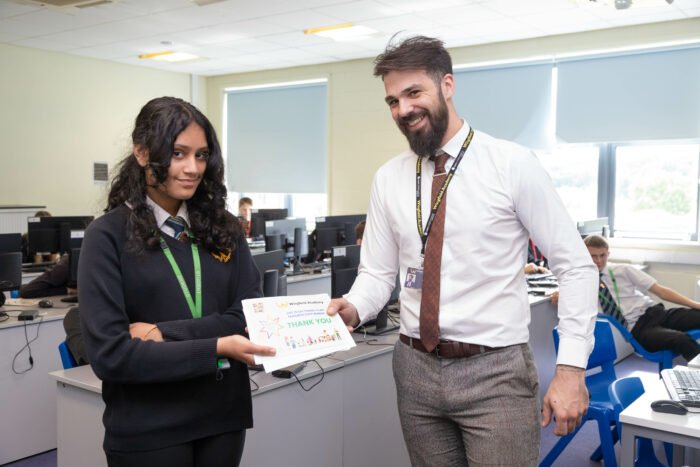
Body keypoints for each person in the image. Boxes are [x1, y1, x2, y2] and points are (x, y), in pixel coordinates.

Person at [326, 36, 598, 466]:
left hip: (495, 372)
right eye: (392, 101)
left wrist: (570, 367)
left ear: (447, 85)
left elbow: (576, 267)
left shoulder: (510, 163)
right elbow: (378, 274)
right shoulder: (388, 178)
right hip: (413, 368)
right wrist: (354, 307)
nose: (403, 110)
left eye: (414, 93)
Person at [78, 96, 276, 467]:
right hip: (149, 426)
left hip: (223, 417)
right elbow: (112, 355)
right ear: (141, 153)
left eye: (201, 155)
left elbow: (249, 317)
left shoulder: (225, 228)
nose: (192, 168)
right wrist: (218, 344)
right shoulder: (106, 236)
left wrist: (163, 334)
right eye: (178, 153)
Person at [551, 235, 700, 361]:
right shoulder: (580, 283)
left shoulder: (623, 270)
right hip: (637, 329)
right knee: (681, 340)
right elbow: (565, 294)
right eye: (593, 256)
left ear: (608, 255)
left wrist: (696, 304)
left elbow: (661, 291)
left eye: (602, 255)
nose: (598, 261)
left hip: (656, 313)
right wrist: (563, 292)